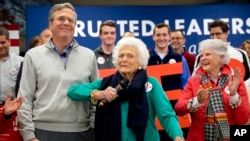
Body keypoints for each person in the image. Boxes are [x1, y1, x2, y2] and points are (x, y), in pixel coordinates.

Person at [68, 37, 185, 141]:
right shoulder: (106, 84)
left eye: (130, 56)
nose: (124, 59)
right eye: (121, 55)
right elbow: (72, 91)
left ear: (140, 61)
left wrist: (178, 136)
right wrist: (99, 94)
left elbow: (167, 115)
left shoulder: (151, 83)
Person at [17, 3, 99, 141]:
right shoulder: (33, 55)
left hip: (81, 133)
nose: (66, 23)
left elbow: (95, 95)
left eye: (70, 20)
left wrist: (92, 127)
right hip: (41, 133)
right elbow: (24, 98)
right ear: (50, 24)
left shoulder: (89, 56)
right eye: (61, 19)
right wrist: (29, 135)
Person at [174, 39, 249, 141]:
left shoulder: (235, 81)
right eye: (201, 55)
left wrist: (233, 95)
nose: (202, 58)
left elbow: (243, 119)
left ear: (221, 58)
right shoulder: (194, 81)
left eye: (207, 54)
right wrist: (196, 101)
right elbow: (178, 109)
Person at [147, 23, 190, 140]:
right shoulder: (146, 58)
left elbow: (186, 86)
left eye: (164, 35)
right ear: (153, 37)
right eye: (158, 35)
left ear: (169, 36)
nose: (161, 38)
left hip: (173, 112)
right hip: (152, 113)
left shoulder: (180, 58)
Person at [193, 20, 250, 88]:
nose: (214, 37)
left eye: (218, 34)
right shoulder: (201, 56)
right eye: (212, 34)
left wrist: (236, 88)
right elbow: (195, 79)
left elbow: (248, 77)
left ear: (226, 33)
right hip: (212, 95)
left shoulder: (241, 54)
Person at [0, 26, 23, 140]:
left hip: (13, 112)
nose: (0, 46)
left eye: (3, 42)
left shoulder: (21, 62)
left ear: (9, 42)